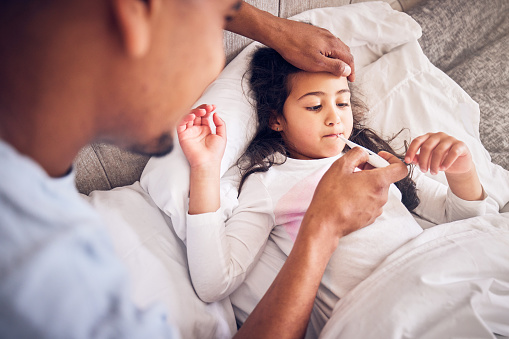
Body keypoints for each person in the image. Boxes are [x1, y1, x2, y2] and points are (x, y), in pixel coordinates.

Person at [0, 1, 398, 338]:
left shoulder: (30, 184)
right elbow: (216, 278)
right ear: (137, 14)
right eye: (214, 28)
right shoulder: (50, 289)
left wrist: (272, 31)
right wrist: (322, 226)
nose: (217, 62)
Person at [178, 47, 499, 337]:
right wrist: (204, 169)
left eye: (342, 102)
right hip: (388, 307)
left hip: (440, 272)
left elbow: (458, 220)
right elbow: (215, 281)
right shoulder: (272, 182)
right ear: (277, 119)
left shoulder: (373, 158)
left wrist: (462, 171)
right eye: (315, 106)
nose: (335, 118)